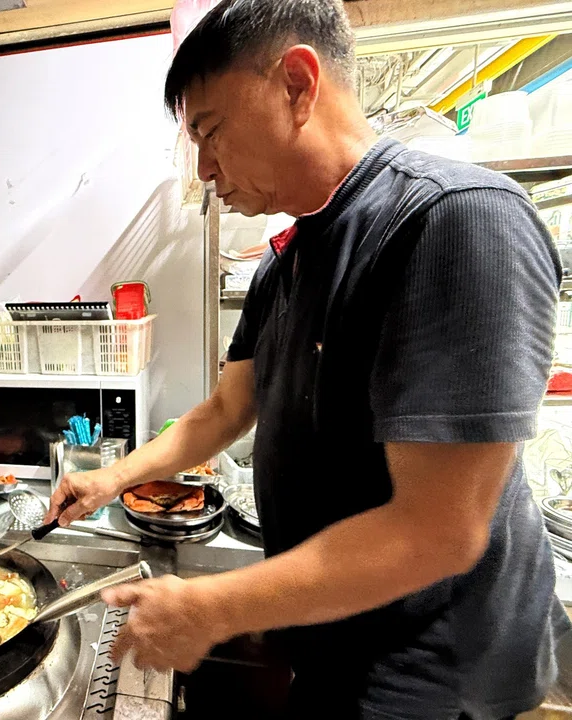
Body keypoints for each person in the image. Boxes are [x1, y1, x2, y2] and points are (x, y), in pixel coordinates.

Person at [43, 1, 570, 717]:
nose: (202, 170)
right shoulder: (284, 264)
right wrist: (111, 479)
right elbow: (227, 409)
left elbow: (438, 531)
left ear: (296, 84)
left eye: (210, 131)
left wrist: (209, 606)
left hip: (434, 672)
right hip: (334, 641)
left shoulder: (455, 221)